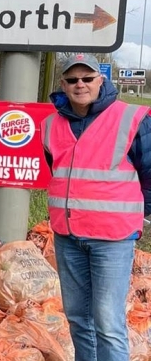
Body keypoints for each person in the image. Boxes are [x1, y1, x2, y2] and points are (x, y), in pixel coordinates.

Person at [42, 53, 151, 361]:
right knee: (78, 319)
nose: (80, 85)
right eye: (73, 79)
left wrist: (132, 214)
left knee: (108, 323)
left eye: (87, 78)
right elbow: (61, 172)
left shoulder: (132, 118)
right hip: (68, 236)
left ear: (101, 80)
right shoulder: (51, 124)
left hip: (112, 240)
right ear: (63, 84)